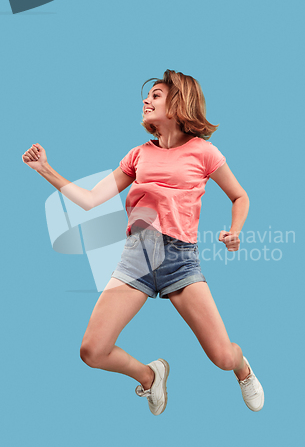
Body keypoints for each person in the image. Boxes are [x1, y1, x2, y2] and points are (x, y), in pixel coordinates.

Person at [22, 69, 264, 415]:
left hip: (180, 261)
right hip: (137, 258)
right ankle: (150, 376)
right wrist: (45, 168)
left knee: (223, 357)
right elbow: (91, 199)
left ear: (179, 103)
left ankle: (243, 369)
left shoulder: (204, 152)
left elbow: (240, 196)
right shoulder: (138, 155)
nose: (146, 101)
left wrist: (235, 230)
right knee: (92, 350)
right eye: (147, 96)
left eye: (155, 95)